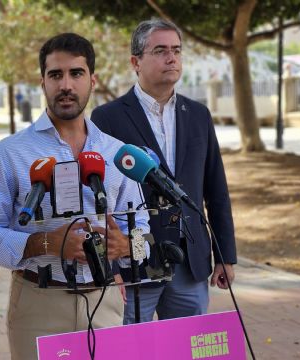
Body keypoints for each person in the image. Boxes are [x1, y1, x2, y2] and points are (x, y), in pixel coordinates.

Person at [0, 33, 150, 359]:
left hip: (104, 300)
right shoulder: (10, 153)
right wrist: (46, 243)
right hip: (38, 304)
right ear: (43, 82)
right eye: (56, 75)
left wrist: (126, 246)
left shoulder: (116, 154)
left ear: (92, 80)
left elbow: (143, 229)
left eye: (76, 73)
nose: (66, 84)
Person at [91, 19, 237, 324]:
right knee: (131, 351)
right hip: (135, 265)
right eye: (160, 51)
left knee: (189, 349)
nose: (171, 58)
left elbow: (216, 190)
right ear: (136, 62)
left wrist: (226, 255)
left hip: (190, 263)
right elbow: (97, 200)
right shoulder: (106, 119)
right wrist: (111, 268)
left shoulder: (198, 115)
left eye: (176, 50)